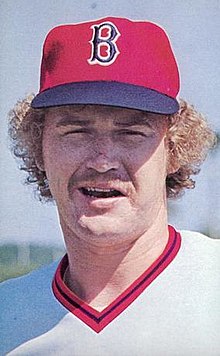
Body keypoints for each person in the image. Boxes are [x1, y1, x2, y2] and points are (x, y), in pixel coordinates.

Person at [1, 16, 219, 355]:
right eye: (76, 131)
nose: (102, 161)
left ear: (175, 147)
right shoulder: (6, 316)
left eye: (131, 132)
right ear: (38, 146)